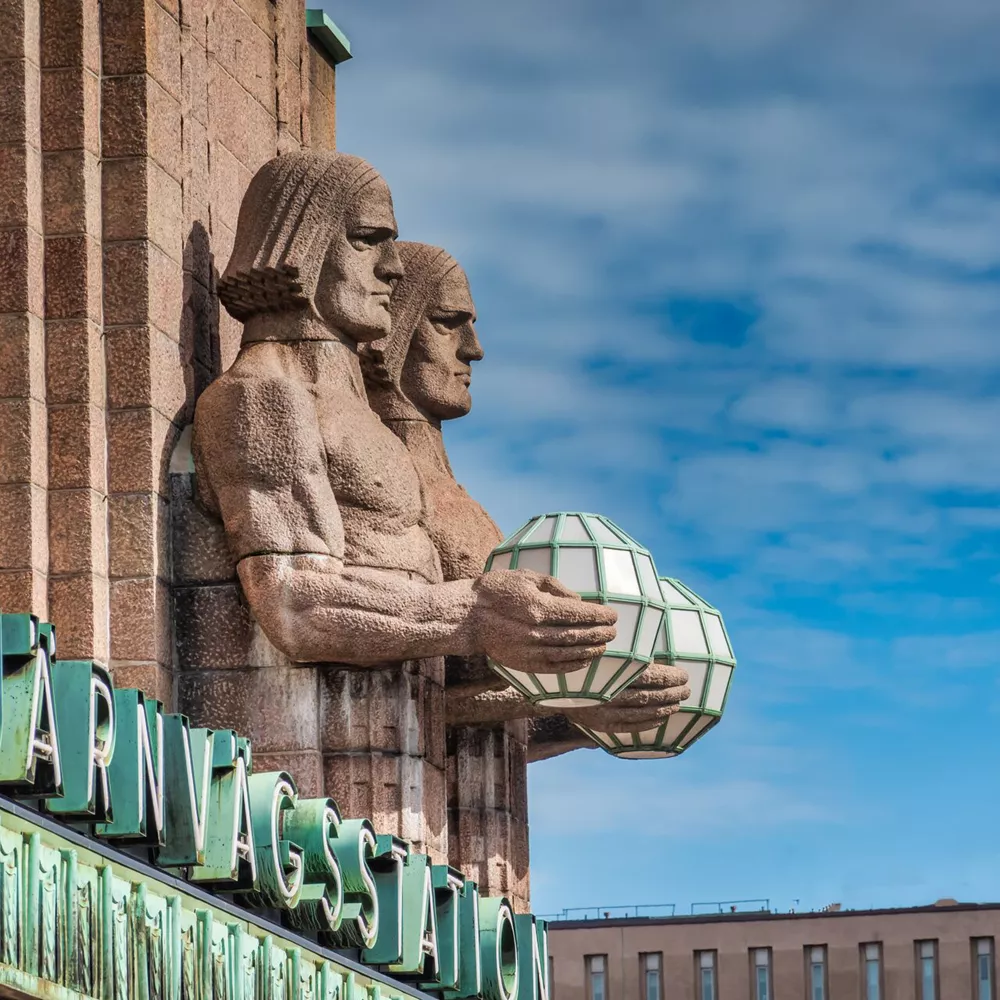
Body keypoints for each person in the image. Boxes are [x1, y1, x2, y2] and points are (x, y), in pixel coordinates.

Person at [193, 152, 616, 680]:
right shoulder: (265, 394)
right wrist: (472, 614)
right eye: (368, 239)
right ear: (302, 240)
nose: (390, 266)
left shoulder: (357, 420)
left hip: (399, 722)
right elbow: (294, 603)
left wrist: (587, 690)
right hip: (317, 733)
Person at [360, 241, 690, 756]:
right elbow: (390, 691)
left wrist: (583, 713)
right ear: (394, 325)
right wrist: (566, 701)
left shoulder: (458, 498)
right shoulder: (378, 473)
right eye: (448, 322)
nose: (473, 349)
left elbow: (466, 714)